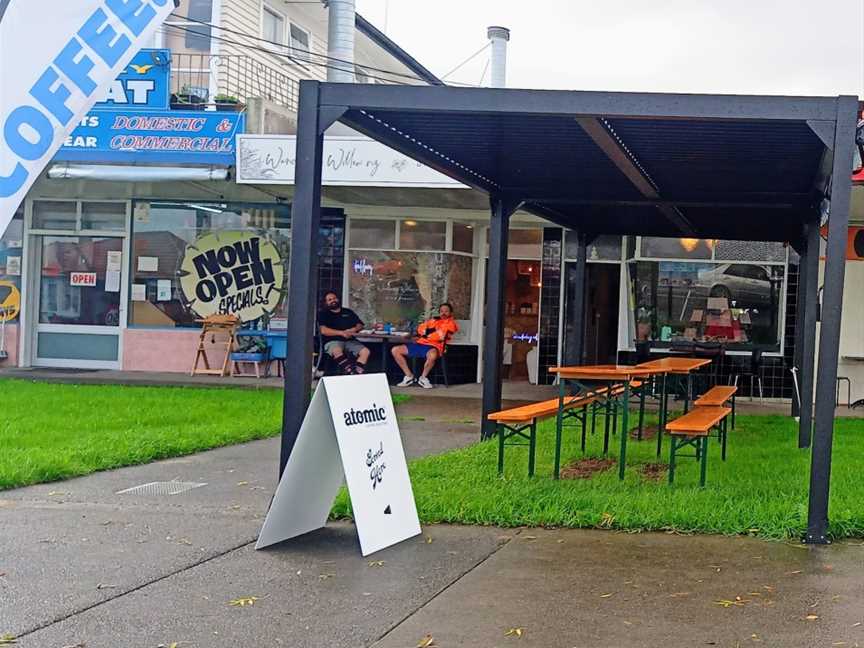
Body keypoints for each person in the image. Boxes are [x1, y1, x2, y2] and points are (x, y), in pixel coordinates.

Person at [391, 303, 458, 389]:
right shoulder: (433, 320)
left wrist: (426, 334)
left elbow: (440, 336)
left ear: (451, 313)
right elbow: (421, 328)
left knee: (433, 355)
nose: (443, 313)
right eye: (441, 311)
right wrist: (427, 334)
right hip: (420, 343)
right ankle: (409, 376)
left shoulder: (451, 323)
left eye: (446, 311)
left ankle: (423, 378)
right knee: (395, 350)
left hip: (434, 346)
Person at [317, 291, 370, 375]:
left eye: (334, 298)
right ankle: (350, 371)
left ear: (338, 299)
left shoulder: (348, 312)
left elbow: (360, 324)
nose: (333, 301)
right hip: (332, 341)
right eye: (329, 300)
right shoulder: (323, 314)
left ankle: (356, 372)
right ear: (326, 303)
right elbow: (323, 330)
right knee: (337, 350)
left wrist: (354, 329)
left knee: (365, 351)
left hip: (350, 340)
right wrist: (341, 333)